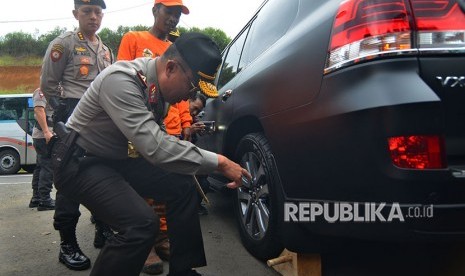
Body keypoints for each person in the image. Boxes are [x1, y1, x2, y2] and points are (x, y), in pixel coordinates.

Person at [50, 32, 251, 276]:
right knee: (141, 224)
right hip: (82, 163)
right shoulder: (121, 81)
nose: (190, 97)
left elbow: (162, 141)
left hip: (118, 159)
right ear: (170, 68)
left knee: (183, 183)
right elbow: (155, 148)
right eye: (192, 87)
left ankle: (183, 271)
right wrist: (219, 162)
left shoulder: (159, 90)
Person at [117, 1, 190, 274]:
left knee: (166, 191)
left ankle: (161, 237)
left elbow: (182, 92)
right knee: (139, 186)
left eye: (177, 15)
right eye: (168, 12)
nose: (173, 19)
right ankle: (144, 243)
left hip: (169, 128)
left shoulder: (177, 50)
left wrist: (185, 122)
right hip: (142, 126)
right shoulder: (134, 38)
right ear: (155, 10)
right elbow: (122, 78)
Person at [40, 0, 113, 270]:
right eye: (87, 11)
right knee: (70, 181)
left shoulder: (106, 49)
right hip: (72, 116)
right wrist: (63, 116)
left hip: (102, 119)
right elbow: (48, 83)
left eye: (98, 12)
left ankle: (102, 229)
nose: (93, 17)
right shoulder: (64, 44)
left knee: (105, 175)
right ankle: (67, 244)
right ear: (75, 14)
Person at [28, 88, 55, 211]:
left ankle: (37, 198)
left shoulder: (49, 91)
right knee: (47, 165)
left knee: (41, 166)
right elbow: (39, 110)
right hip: (44, 135)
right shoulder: (41, 91)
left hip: (42, 135)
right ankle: (45, 200)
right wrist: (46, 132)